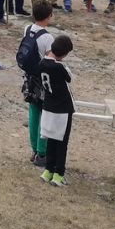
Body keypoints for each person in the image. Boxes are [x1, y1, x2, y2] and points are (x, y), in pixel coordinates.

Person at [38, 33, 76, 187]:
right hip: (62, 110)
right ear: (64, 53)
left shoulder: (41, 63)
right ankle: (59, 174)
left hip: (48, 107)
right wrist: (62, 64)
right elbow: (70, 78)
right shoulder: (59, 67)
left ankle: (48, 169)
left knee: (51, 140)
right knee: (62, 142)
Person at [21, 0, 55, 166]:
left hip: (29, 78)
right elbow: (51, 60)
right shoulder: (48, 37)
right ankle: (42, 152)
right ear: (49, 17)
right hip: (42, 80)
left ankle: (34, 149)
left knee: (33, 114)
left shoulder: (27, 29)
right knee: (45, 116)